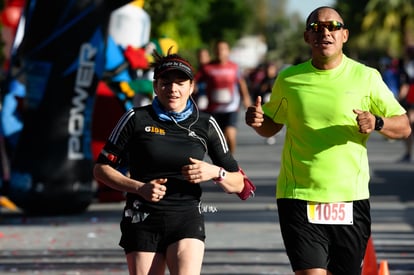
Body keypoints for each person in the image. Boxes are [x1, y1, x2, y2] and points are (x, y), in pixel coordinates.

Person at [245, 6, 411, 275]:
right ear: (306, 37)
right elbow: (271, 127)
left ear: (344, 35)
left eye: (333, 26)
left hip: (350, 198)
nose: (325, 32)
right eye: (316, 27)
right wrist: (257, 122)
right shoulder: (288, 79)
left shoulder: (366, 77)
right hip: (298, 196)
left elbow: (403, 126)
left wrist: (377, 122)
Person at [93, 48, 245, 275]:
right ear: (155, 87)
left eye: (180, 83)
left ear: (191, 87)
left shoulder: (206, 124)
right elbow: (101, 169)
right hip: (142, 218)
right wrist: (140, 188)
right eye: (165, 82)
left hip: (186, 219)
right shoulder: (136, 118)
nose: (172, 89)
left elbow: (240, 184)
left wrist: (214, 172)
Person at [195, 40, 252, 153]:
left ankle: (230, 161)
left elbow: (241, 83)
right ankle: (223, 161)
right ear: (214, 51)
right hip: (213, 108)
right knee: (217, 139)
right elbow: (194, 82)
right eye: (218, 49)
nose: (220, 51)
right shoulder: (207, 68)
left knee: (230, 136)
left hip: (231, 107)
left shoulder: (234, 67)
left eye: (223, 49)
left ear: (228, 51)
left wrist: (246, 98)